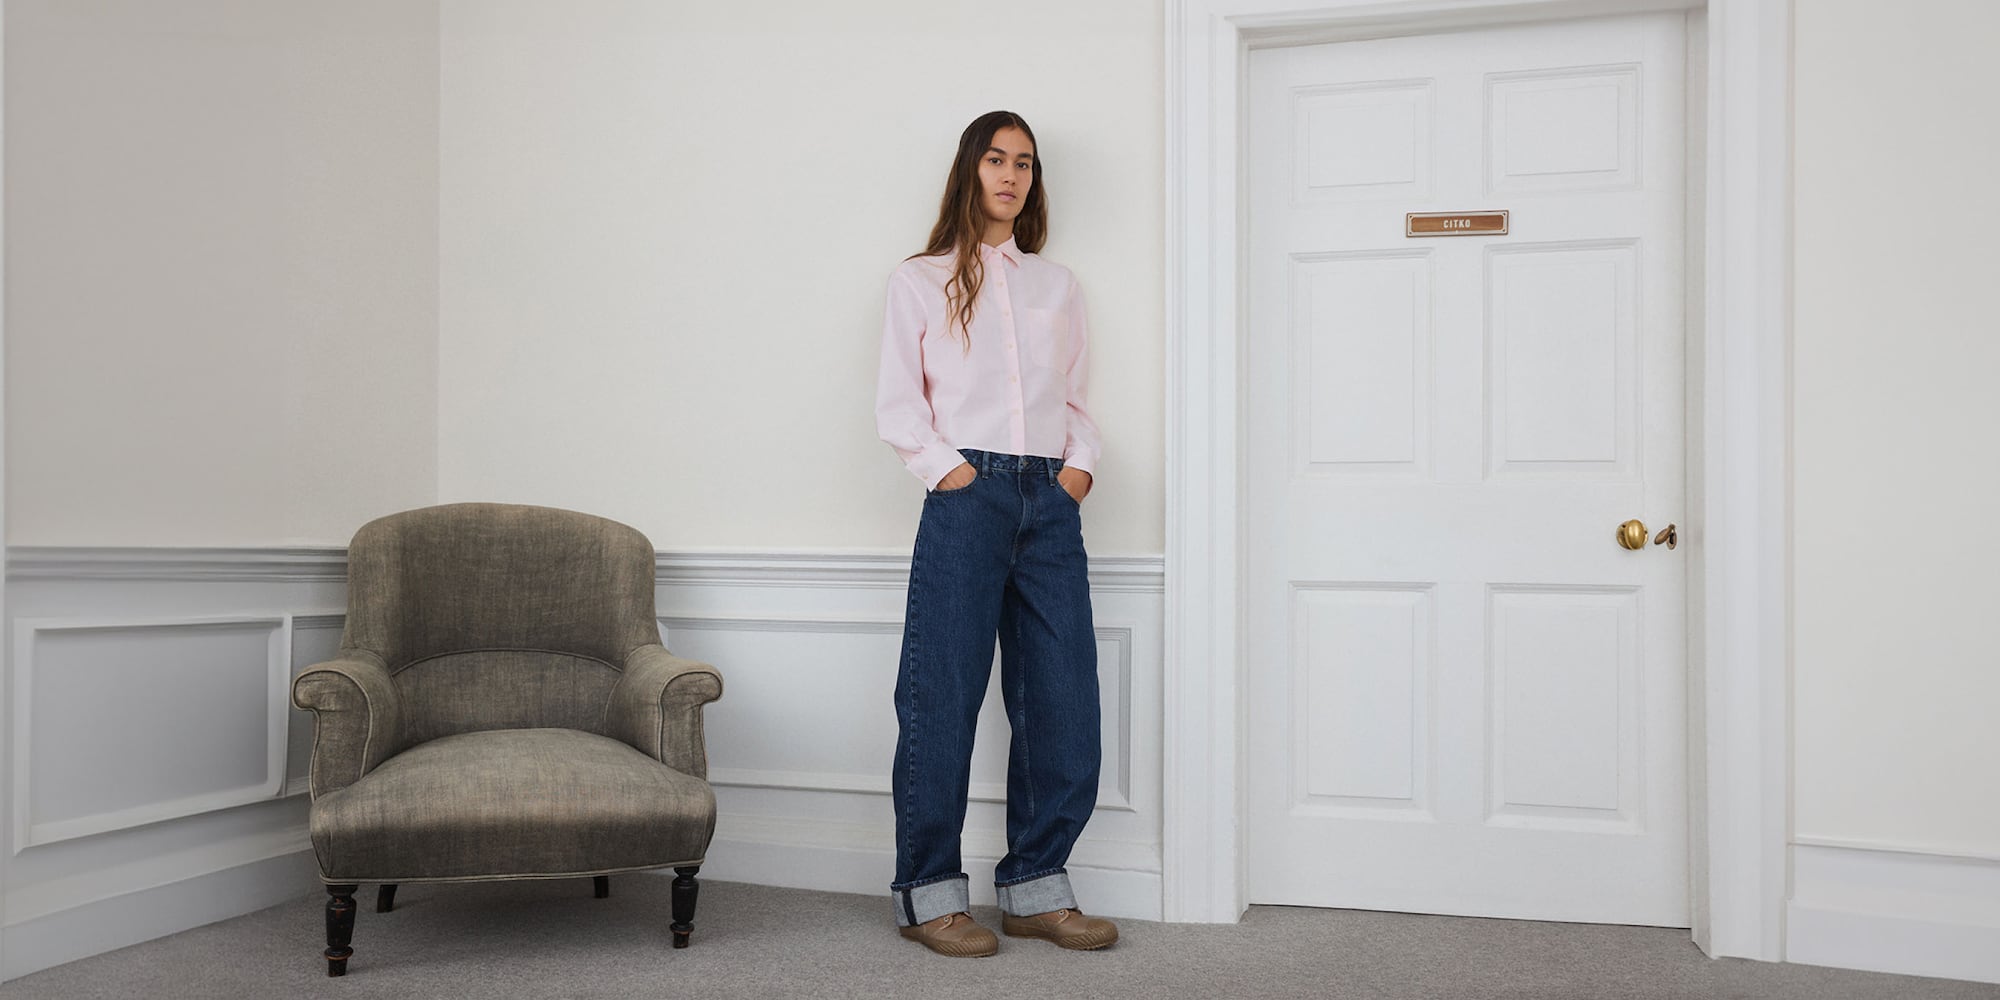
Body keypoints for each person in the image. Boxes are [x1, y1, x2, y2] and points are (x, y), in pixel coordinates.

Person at [874, 110, 1117, 957]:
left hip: (1050, 501)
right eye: (996, 160)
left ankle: (1036, 887)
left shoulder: (1058, 287)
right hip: (967, 495)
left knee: (1063, 697)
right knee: (940, 696)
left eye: (1025, 163)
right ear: (969, 171)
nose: (1011, 175)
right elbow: (901, 407)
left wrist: (1077, 469)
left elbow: (1077, 399)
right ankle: (931, 895)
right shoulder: (920, 279)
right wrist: (954, 474)